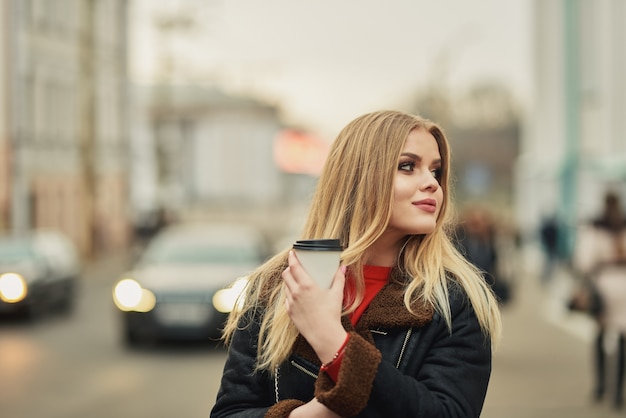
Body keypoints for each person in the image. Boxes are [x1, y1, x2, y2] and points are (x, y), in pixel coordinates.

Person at [210, 110, 503, 418]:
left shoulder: (453, 299)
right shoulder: (279, 283)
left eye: (435, 170)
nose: (431, 183)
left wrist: (331, 339)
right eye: (408, 166)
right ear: (359, 177)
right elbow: (229, 412)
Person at [574, 191, 626, 410]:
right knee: (623, 337)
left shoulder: (594, 228)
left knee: (600, 333)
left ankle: (601, 385)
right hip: (624, 284)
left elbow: (584, 260)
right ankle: (618, 392)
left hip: (603, 284)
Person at [455, 206, 510, 306]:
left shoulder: (491, 243)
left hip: (487, 291)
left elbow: (496, 267)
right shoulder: (459, 242)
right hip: (467, 292)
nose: (477, 227)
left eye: (480, 223)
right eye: (474, 224)